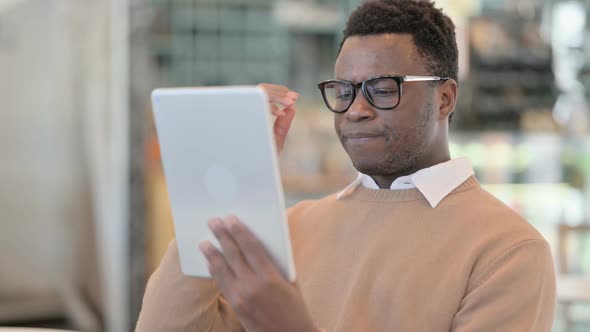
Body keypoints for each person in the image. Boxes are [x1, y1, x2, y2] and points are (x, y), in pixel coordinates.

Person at [135, 1, 556, 331]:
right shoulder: (294, 228)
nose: (355, 110)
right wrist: (231, 172)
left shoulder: (507, 251)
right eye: (343, 90)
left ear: (444, 98)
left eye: (381, 89)